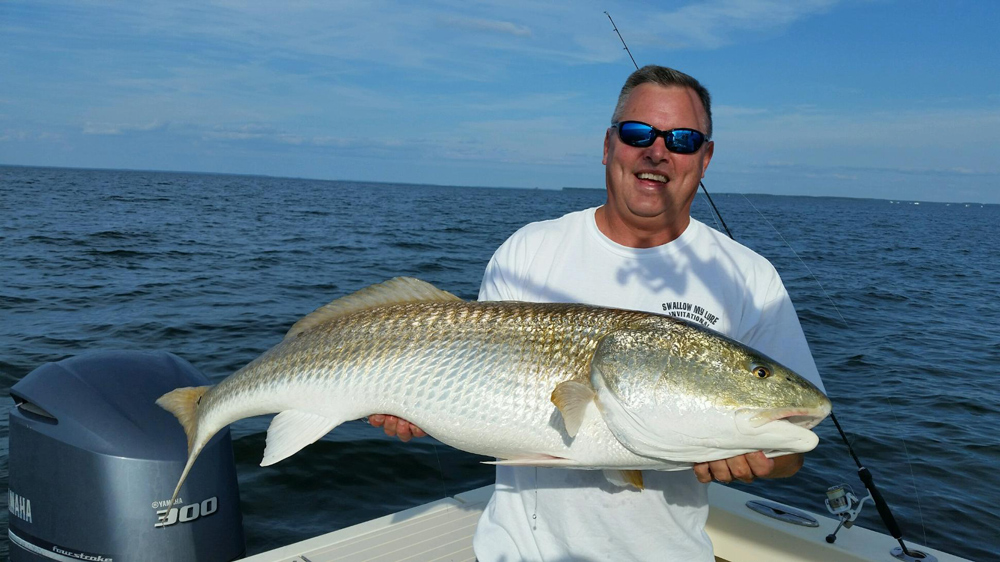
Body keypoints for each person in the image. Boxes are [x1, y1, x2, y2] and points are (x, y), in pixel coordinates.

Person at [372, 65, 825, 561]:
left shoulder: (750, 277)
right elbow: (478, 392)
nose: (657, 152)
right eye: (638, 133)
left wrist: (763, 460)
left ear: (705, 157)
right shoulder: (529, 250)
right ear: (608, 145)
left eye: (682, 139)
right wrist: (418, 401)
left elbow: (794, 448)